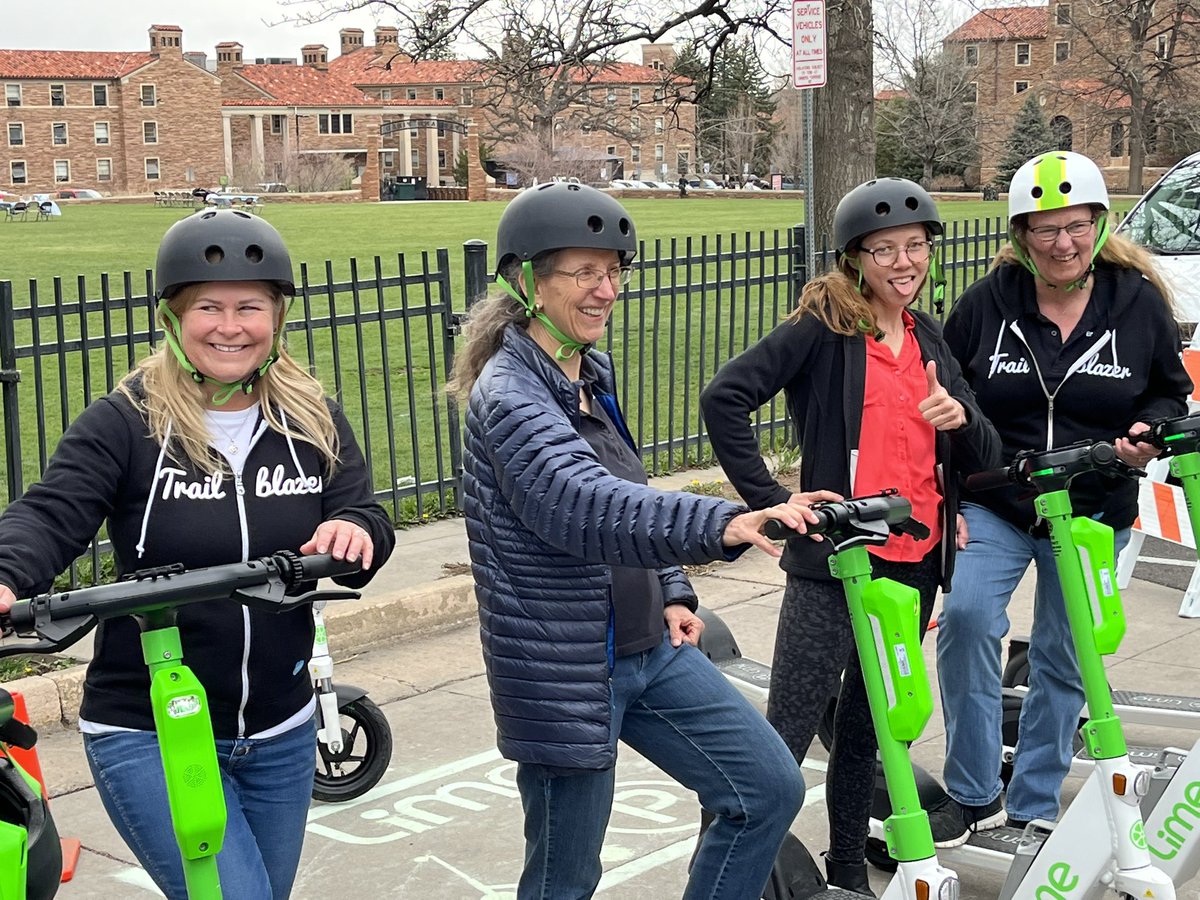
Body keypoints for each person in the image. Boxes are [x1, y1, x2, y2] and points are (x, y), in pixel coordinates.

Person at [0, 209, 395, 898]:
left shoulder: (312, 417)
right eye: (208, 307)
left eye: (250, 306)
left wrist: (357, 532)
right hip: (151, 727)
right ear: (174, 319)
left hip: (284, 728)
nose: (230, 326)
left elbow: (361, 512)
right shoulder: (125, 422)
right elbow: (49, 514)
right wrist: (4, 573)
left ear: (276, 315)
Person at [450, 182, 824, 900]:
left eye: (615, 270)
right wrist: (723, 521)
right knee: (564, 880)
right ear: (525, 280)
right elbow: (581, 504)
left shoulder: (590, 376)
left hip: (649, 646)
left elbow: (626, 483)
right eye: (583, 271)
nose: (605, 289)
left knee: (767, 789)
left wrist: (673, 588)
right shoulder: (510, 395)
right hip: (567, 670)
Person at [700, 177, 1001, 891]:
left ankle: (845, 873)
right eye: (886, 250)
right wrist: (776, 501)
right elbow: (726, 397)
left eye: (916, 247)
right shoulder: (827, 329)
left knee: (869, 736)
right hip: (837, 562)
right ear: (856, 259)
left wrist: (960, 418)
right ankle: (739, 869)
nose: (905, 263)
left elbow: (982, 448)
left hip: (916, 563)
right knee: (787, 736)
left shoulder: (928, 337)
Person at [934, 150, 1192, 844]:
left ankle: (1034, 803)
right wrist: (948, 495)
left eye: (1076, 226)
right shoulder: (987, 305)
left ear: (1101, 225)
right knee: (965, 622)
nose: (1062, 244)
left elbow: (1170, 389)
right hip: (999, 500)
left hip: (1090, 504)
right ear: (1020, 236)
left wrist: (1149, 432)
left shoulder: (1135, 302)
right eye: (1044, 230)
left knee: (1064, 650)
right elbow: (946, 393)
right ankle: (973, 791)